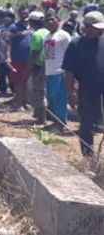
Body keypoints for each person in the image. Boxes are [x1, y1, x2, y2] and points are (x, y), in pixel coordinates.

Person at [62, 11, 104, 156]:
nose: (100, 30)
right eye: (95, 27)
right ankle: (89, 159)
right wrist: (70, 93)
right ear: (86, 27)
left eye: (101, 28)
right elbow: (68, 72)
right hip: (86, 91)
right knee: (86, 126)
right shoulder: (76, 44)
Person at [43, 10, 71, 131]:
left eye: (52, 19)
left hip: (60, 71)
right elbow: (45, 56)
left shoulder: (63, 35)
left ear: (58, 20)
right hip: (49, 71)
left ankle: (61, 123)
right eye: (47, 20)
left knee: (60, 98)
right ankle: (55, 121)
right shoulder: (47, 37)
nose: (50, 22)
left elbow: (70, 54)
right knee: (52, 98)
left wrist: (68, 72)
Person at [7, 5, 32, 109]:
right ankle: (19, 104)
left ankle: (26, 102)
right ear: (19, 14)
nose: (24, 15)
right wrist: (7, 56)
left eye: (26, 13)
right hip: (17, 58)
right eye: (22, 13)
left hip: (31, 59)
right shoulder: (14, 27)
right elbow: (8, 42)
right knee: (18, 82)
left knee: (28, 81)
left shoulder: (33, 26)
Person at [26, 11, 48, 124]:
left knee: (38, 92)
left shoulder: (36, 35)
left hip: (38, 66)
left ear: (32, 22)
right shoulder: (47, 32)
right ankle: (39, 114)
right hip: (48, 65)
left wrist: (28, 69)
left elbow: (34, 53)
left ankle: (41, 118)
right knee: (43, 91)